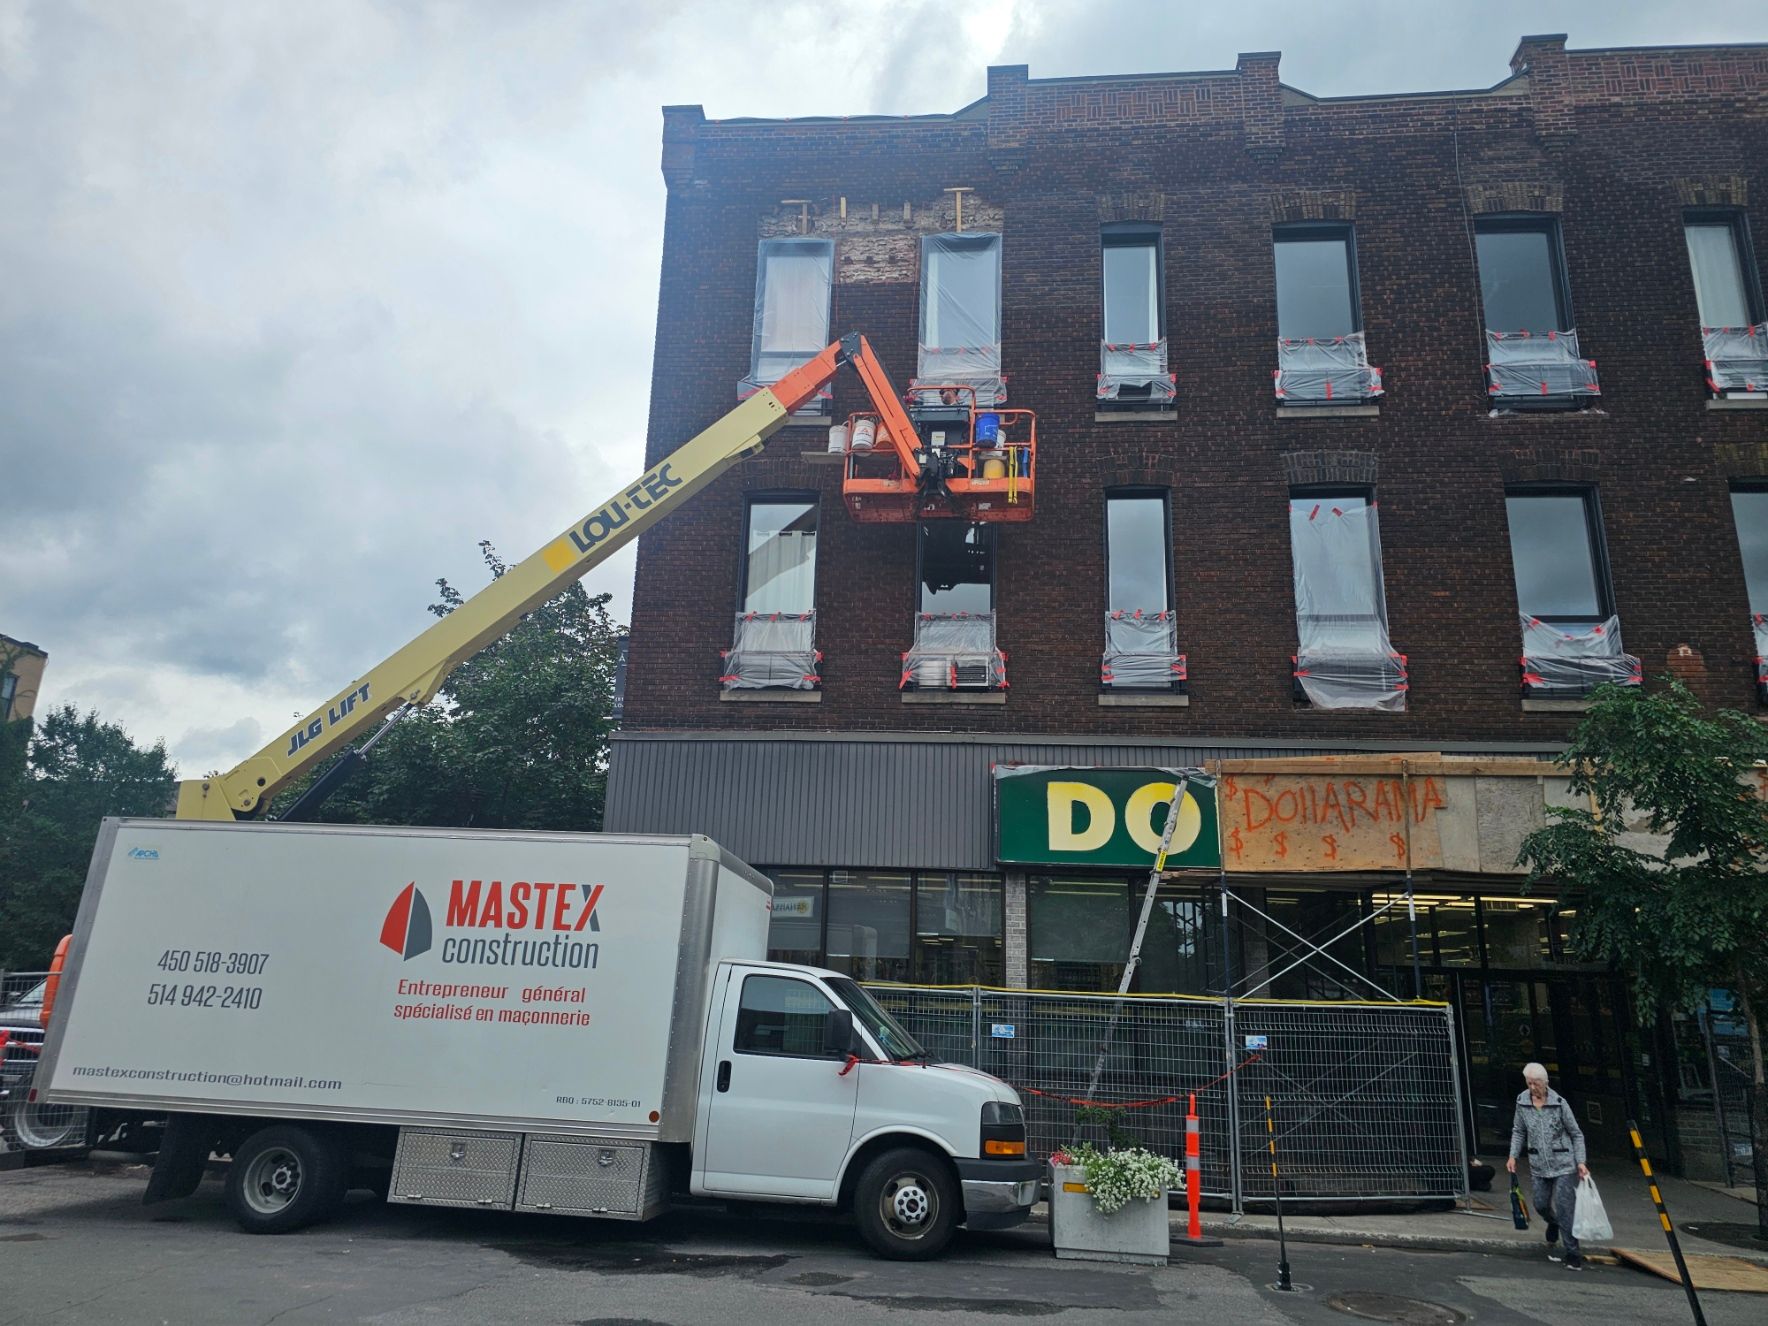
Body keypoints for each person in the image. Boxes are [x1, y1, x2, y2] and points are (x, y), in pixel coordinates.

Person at [1506, 1062, 1591, 1269]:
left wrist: (1580, 1161)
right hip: (1539, 1164)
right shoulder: (1522, 1102)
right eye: (1529, 1083)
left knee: (1565, 1209)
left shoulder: (1560, 1104)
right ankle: (1552, 1223)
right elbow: (1518, 1130)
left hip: (1564, 1163)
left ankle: (1572, 1253)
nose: (1532, 1088)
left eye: (1536, 1084)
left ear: (1545, 1083)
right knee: (1540, 1204)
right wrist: (1512, 1156)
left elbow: (1576, 1133)